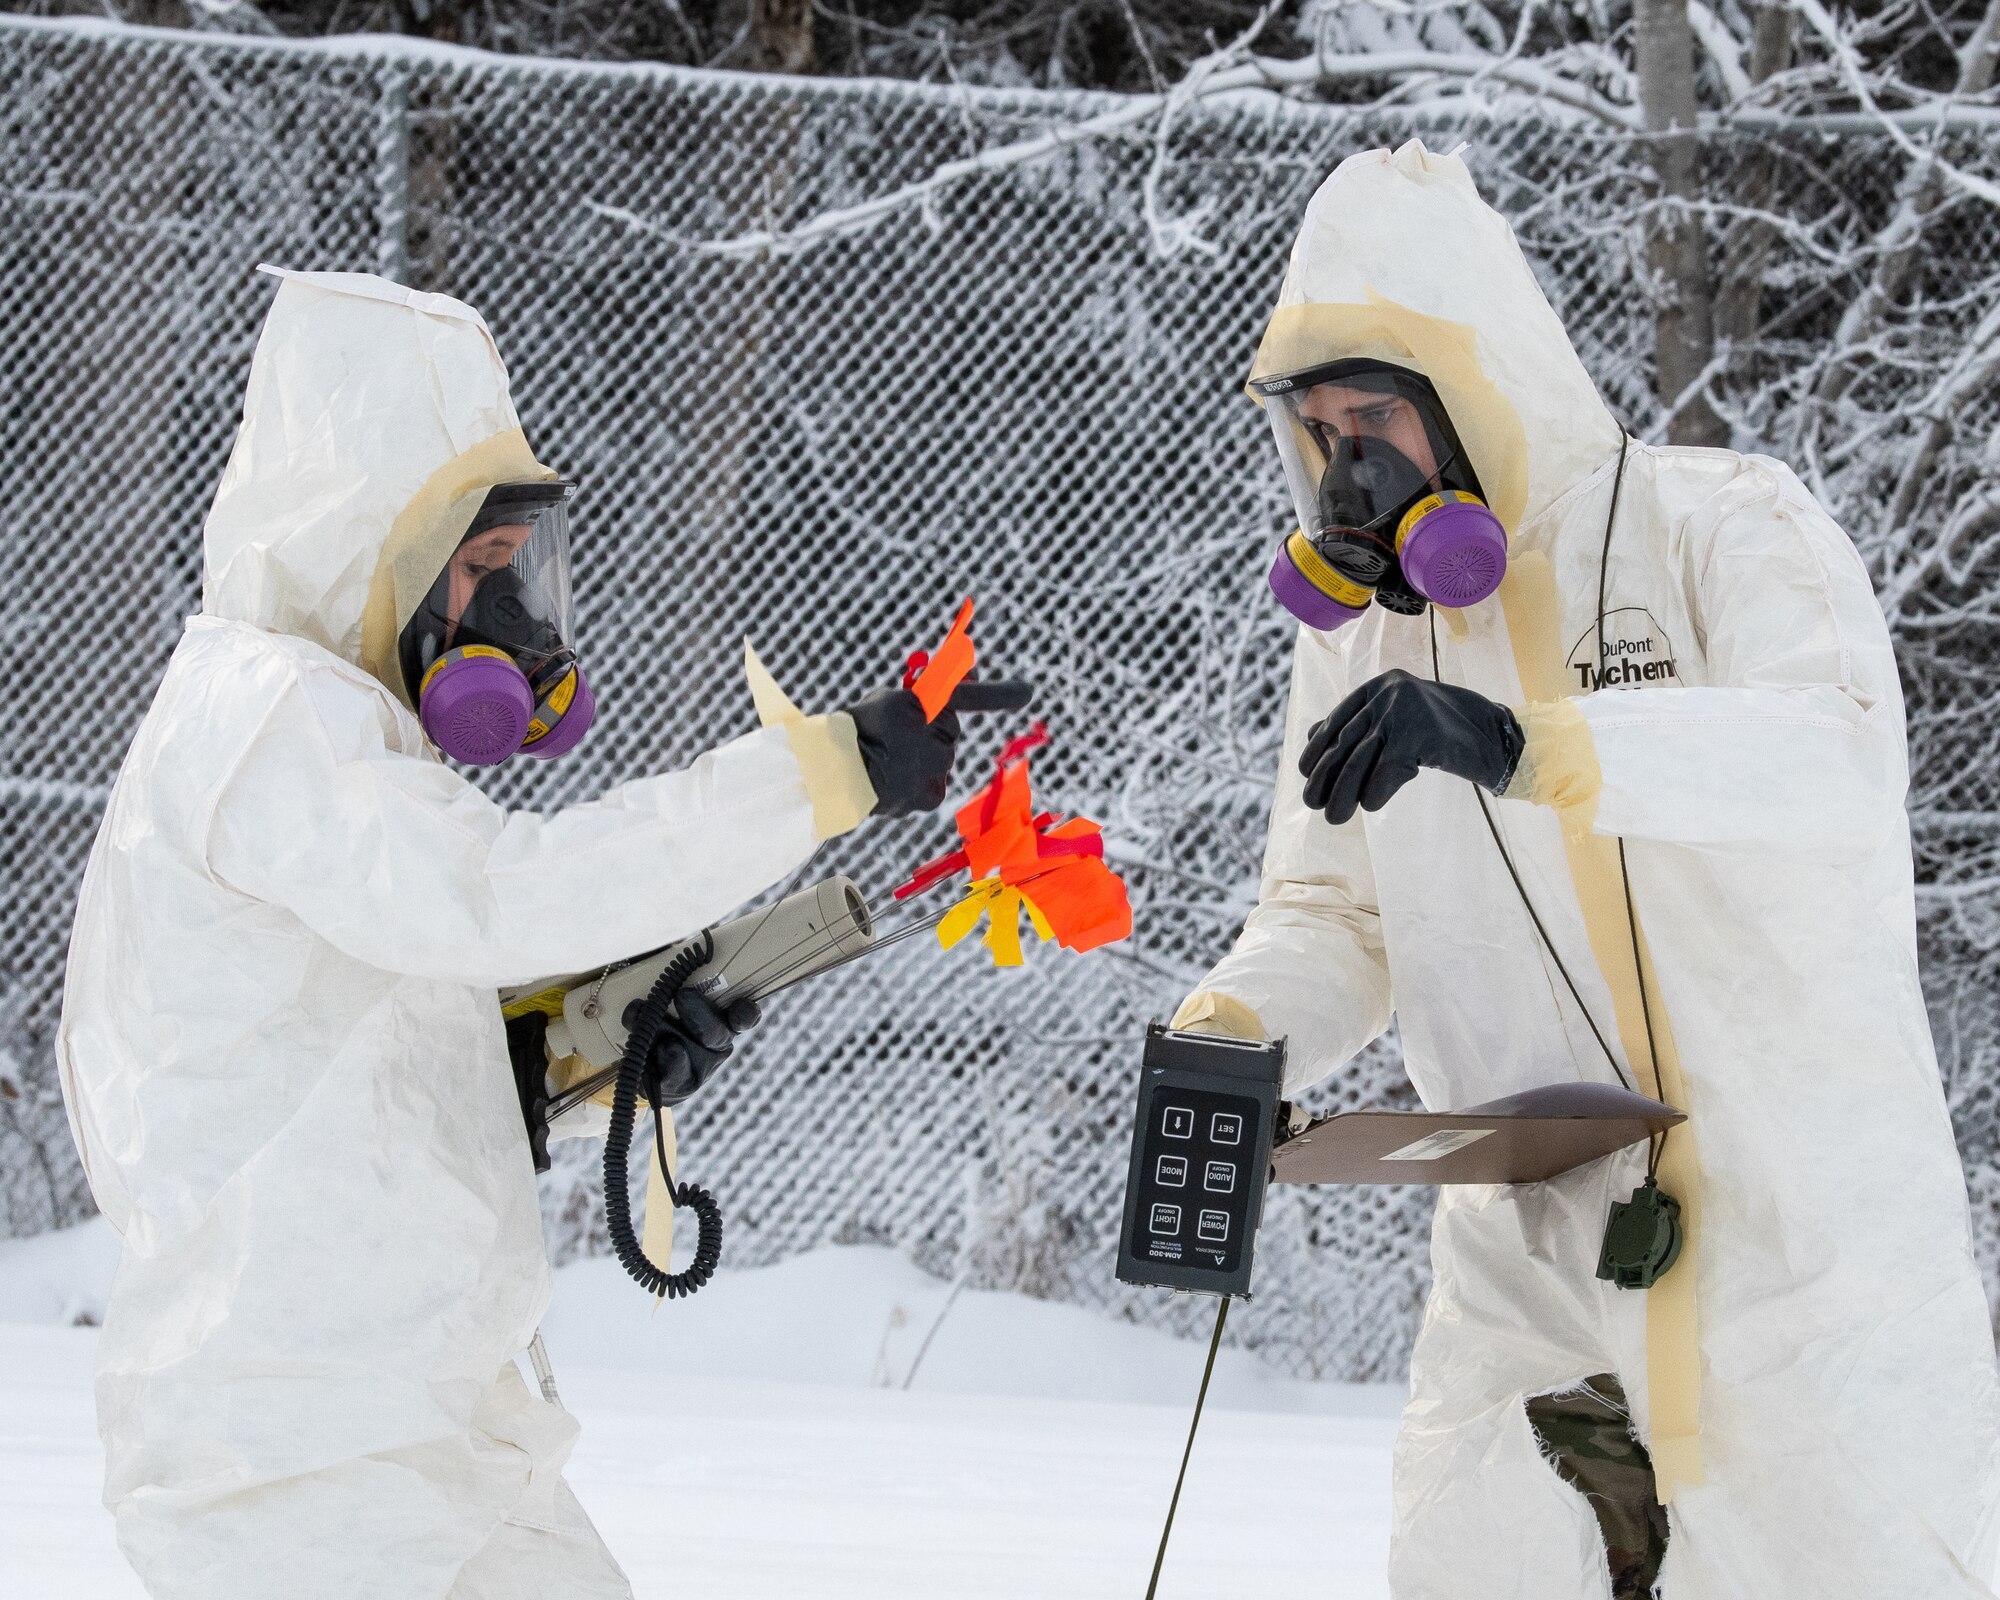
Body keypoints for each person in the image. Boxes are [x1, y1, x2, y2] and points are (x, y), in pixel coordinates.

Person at [55, 267, 1028, 1600]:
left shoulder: (336, 746)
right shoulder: (263, 717)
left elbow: (338, 1066)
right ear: (363, 547)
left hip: (422, 1439)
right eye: (483, 572)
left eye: (519, 572)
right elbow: (499, 896)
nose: (511, 619)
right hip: (299, 1471)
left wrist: (562, 1074)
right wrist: (819, 770)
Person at [1174, 142, 2000, 1599]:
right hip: (1529, 1233)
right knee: (1474, 1552)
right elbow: (1328, 910)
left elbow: (1836, 753)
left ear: (1474, 389)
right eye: (1319, 427)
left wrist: (1522, 741)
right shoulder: (1362, 638)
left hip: (1783, 1229)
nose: (1347, 460)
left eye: (1378, 415)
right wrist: (1237, 1034)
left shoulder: (1721, 524)